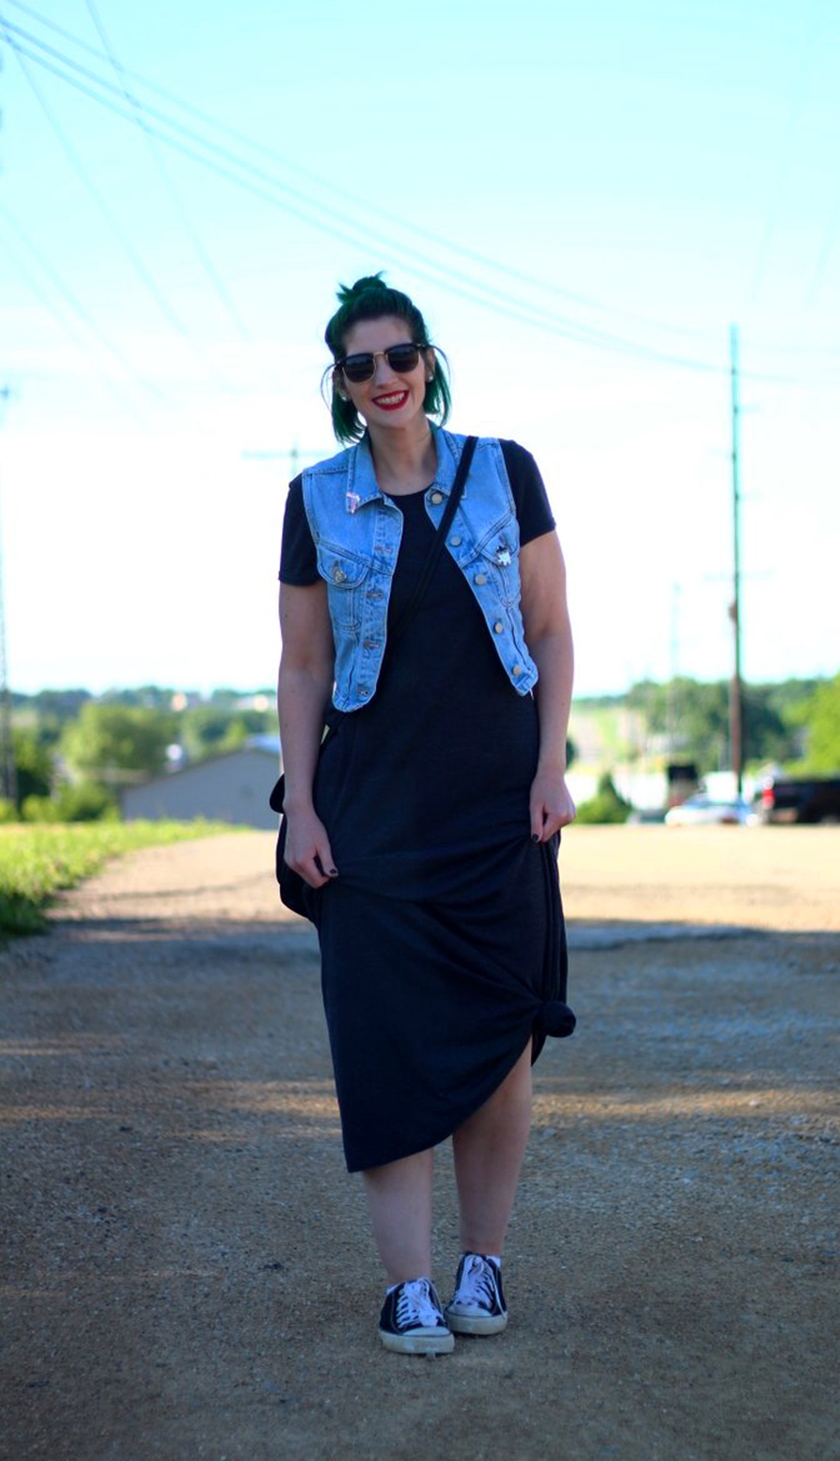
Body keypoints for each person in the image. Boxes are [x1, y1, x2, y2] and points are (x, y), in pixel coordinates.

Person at [277, 274, 576, 1356]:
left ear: (429, 361)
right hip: (371, 818)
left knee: (501, 1037)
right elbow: (304, 663)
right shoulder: (315, 499)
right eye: (361, 366)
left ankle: (481, 1269)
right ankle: (406, 1285)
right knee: (383, 1040)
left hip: (498, 808)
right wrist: (300, 805)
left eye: (401, 356)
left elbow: (549, 630)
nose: (386, 378)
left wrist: (551, 766)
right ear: (342, 385)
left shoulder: (505, 473)